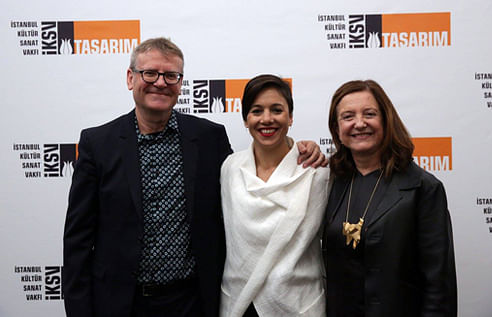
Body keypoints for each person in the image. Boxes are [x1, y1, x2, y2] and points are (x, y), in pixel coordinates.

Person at [63, 38, 324, 317]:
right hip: (120, 304)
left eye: (171, 75)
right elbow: (78, 240)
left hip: (193, 302)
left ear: (180, 83)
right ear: (130, 78)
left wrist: (299, 149)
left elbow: (251, 177)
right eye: (149, 73)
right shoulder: (98, 143)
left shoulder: (209, 138)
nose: (160, 82)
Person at [322, 79, 457, 317]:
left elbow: (438, 285)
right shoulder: (330, 183)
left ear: (386, 120)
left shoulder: (423, 188)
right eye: (348, 116)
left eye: (370, 114)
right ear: (336, 129)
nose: (359, 123)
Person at [219, 74, 329, 317]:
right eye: (256, 111)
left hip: (299, 304)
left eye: (276, 110)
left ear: (290, 117)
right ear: (245, 119)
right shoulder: (230, 169)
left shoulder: (316, 172)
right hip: (239, 303)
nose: (266, 119)